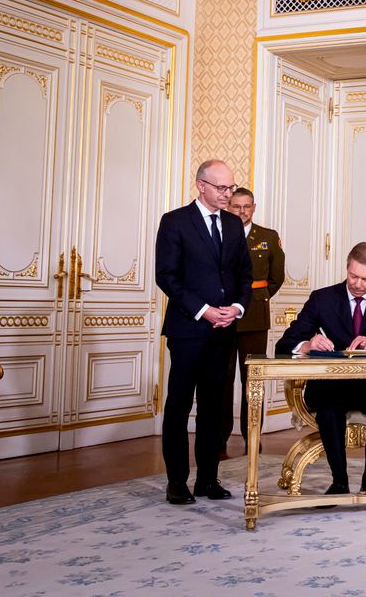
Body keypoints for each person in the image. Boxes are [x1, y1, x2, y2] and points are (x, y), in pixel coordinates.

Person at [274, 242, 366, 498]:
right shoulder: (322, 298)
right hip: (330, 385)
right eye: (353, 276)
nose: (358, 284)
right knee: (329, 406)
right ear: (347, 268)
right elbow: (285, 344)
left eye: (365, 279)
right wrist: (308, 344)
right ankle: (339, 481)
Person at [155, 159, 252, 505]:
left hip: (224, 330)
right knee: (180, 405)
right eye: (222, 188)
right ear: (201, 185)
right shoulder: (175, 222)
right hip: (188, 330)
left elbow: (244, 276)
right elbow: (166, 277)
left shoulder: (232, 224)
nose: (228, 194)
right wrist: (203, 310)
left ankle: (208, 479)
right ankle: (177, 481)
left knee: (214, 406)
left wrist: (236, 309)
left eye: (231, 187)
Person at [220, 187, 284, 457]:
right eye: (236, 206)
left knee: (252, 382)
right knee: (221, 382)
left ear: (254, 208)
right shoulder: (219, 232)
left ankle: (252, 437)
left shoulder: (268, 237)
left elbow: (276, 277)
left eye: (247, 206)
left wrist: (257, 298)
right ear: (228, 207)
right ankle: (219, 439)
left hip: (255, 317)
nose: (242, 211)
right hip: (221, 315)